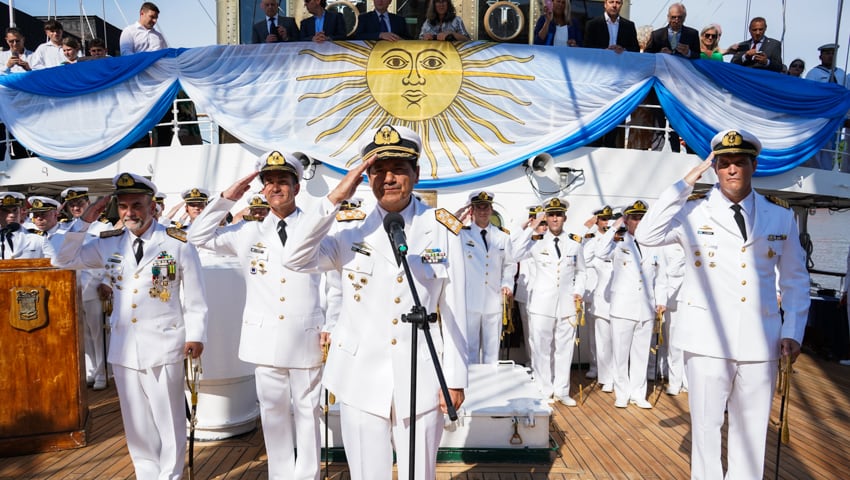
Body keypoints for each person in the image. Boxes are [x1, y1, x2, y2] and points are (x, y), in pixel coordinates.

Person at [283, 124, 467, 480]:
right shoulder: (348, 226)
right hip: (360, 377)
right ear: (365, 177)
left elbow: (455, 309)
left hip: (423, 375)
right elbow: (294, 258)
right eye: (378, 170)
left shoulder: (442, 229)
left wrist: (455, 379)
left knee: (420, 474)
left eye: (398, 169)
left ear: (416, 173)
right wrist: (333, 198)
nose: (388, 178)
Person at [634, 129, 809, 479]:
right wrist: (685, 183)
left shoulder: (780, 217)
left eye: (739, 162)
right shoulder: (692, 213)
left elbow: (794, 279)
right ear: (715, 169)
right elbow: (646, 234)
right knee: (706, 428)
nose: (732, 169)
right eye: (724, 163)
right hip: (706, 341)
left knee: (751, 431)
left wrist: (793, 331)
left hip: (761, 342)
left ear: (753, 165)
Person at [52, 172, 208, 480]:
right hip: (125, 348)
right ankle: (146, 474)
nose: (130, 213)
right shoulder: (108, 244)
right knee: (136, 423)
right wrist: (85, 221)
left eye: (136, 205)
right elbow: (62, 259)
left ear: (152, 207)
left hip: (165, 344)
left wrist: (196, 335)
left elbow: (196, 297)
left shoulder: (176, 243)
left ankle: (171, 475)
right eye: (123, 206)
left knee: (169, 419)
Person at [187, 152, 324, 480]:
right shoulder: (247, 232)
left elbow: (333, 281)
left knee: (307, 411)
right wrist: (226, 198)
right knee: (273, 413)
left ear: (296, 186)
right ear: (262, 189)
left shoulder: (316, 224)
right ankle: (280, 474)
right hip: (263, 337)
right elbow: (196, 238)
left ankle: (307, 475)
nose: (276, 188)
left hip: (307, 333)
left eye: (283, 182)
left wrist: (330, 324)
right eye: (269, 182)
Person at [512, 197, 586, 407]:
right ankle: (544, 389)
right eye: (551, 215)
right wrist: (532, 227)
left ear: (565, 217)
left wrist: (578, 291)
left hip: (566, 305)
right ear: (546, 216)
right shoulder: (535, 242)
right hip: (541, 305)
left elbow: (582, 272)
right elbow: (514, 253)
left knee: (564, 349)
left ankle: (562, 390)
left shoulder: (574, 243)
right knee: (541, 349)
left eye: (558, 215)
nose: (555, 219)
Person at [597, 200, 666, 409]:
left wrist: (661, 300)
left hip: (645, 309)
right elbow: (599, 252)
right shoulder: (618, 242)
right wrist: (615, 227)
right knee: (620, 354)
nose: (638, 221)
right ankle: (622, 392)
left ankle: (638, 393)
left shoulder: (655, 244)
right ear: (627, 220)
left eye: (642, 217)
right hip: (622, 307)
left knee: (641, 354)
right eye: (634, 217)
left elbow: (662, 277)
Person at [61, 187, 114, 390]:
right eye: (73, 204)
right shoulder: (65, 229)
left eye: (80, 204)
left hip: (95, 289)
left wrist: (108, 282)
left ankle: (102, 373)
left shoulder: (103, 228)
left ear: (87, 204)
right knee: (83, 335)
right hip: (72, 290)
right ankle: (90, 371)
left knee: (98, 333)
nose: (76, 208)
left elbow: (113, 258)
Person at [457, 191, 517, 364]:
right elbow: (443, 233)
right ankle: (473, 386)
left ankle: (492, 384)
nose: (482, 211)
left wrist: (507, 285)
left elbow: (509, 264)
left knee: (492, 351)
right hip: (470, 300)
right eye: (478, 207)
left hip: (494, 299)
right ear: (472, 211)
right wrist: (458, 215)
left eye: (486, 207)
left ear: (491, 210)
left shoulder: (503, 236)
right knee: (470, 349)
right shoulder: (461, 234)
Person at [582, 206, 615, 391]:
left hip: (612, 295)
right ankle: (595, 366)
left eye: (609, 219)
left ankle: (611, 371)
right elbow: (584, 259)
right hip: (593, 292)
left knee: (611, 337)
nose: (606, 222)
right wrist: (589, 227)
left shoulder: (618, 239)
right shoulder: (591, 240)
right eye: (602, 219)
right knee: (595, 336)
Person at [0, 192, 43, 259]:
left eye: (15, 210)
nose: (12, 215)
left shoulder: (38, 238)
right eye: (5, 211)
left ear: (20, 211)